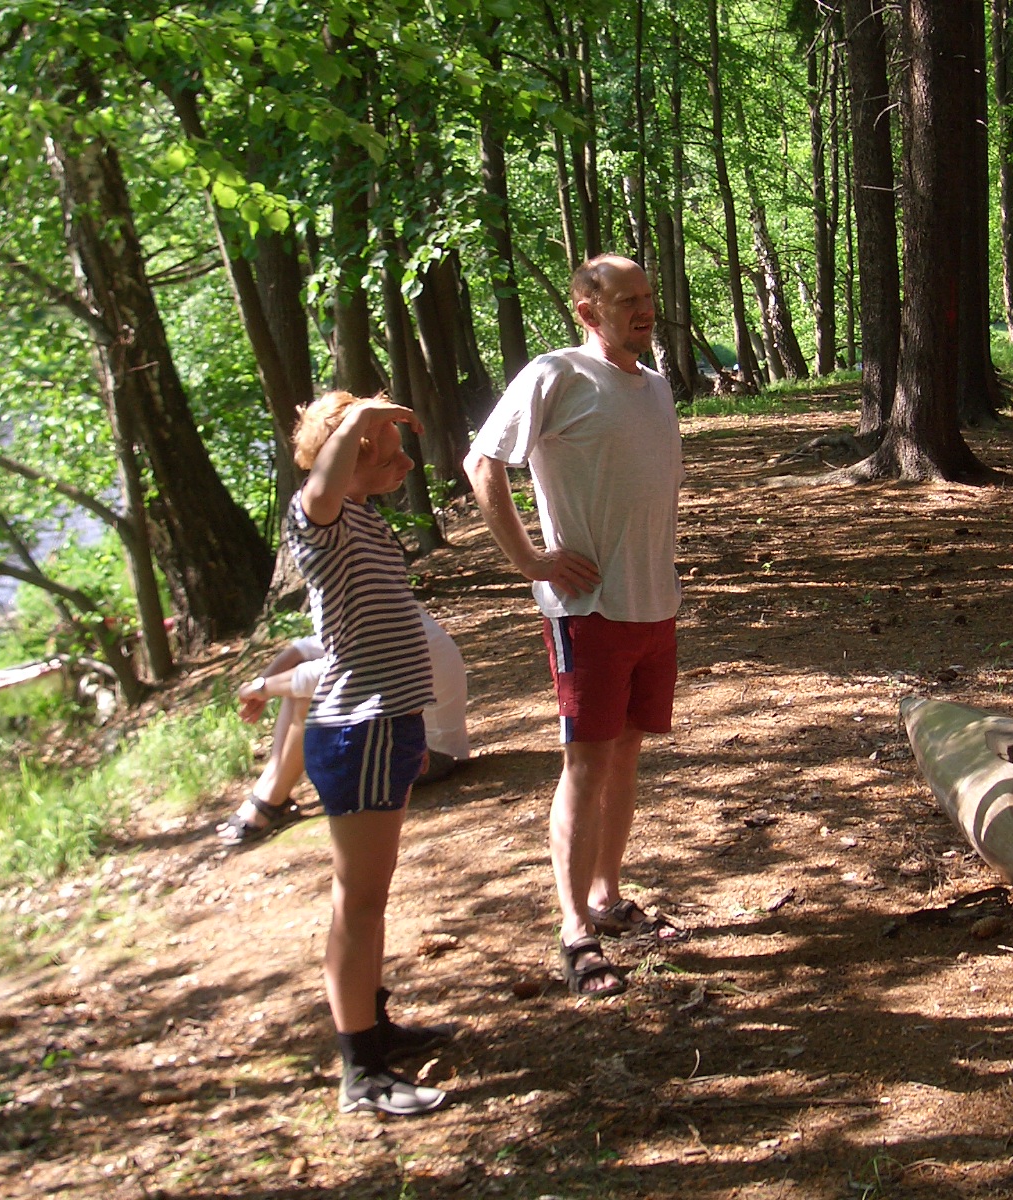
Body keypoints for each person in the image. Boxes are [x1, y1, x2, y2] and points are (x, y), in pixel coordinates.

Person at [464, 254, 686, 1000]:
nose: (644, 310)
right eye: (626, 300)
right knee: (586, 763)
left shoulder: (656, 386)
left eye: (648, 296)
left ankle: (607, 897)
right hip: (587, 611)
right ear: (588, 312)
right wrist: (531, 559)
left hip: (653, 602)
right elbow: (482, 463)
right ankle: (574, 930)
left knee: (626, 754)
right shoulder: (555, 374)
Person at [286, 391, 453, 1116]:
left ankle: (372, 1023)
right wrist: (358, 419)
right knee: (358, 901)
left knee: (367, 897)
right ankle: (361, 1071)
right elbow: (320, 489)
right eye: (389, 454)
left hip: (388, 727)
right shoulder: (318, 518)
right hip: (360, 730)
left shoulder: (360, 518)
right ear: (348, 456)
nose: (406, 465)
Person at [219, 609, 471, 844]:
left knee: (312, 694)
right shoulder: (384, 609)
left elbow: (325, 675)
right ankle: (270, 785)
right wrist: (263, 682)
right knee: (300, 679)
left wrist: (261, 688)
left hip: (430, 754)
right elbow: (302, 650)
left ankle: (271, 799)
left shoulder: (386, 624)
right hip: (410, 740)